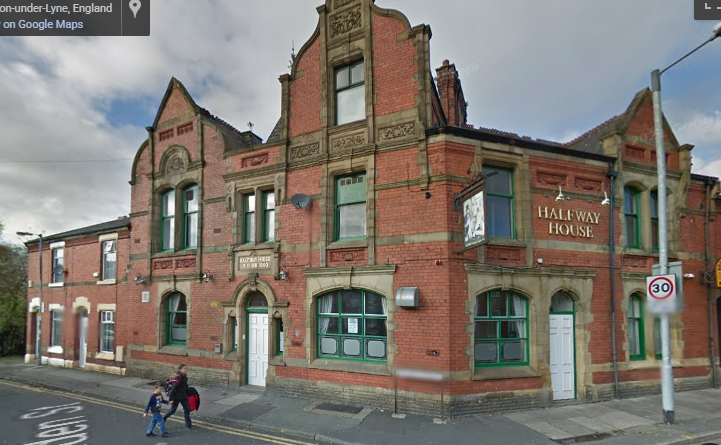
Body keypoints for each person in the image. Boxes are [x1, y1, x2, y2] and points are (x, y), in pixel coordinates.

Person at [163, 364, 197, 429]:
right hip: (176, 397)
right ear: (180, 369)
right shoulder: (178, 377)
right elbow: (173, 389)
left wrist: (188, 392)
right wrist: (171, 399)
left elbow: (185, 386)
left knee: (187, 410)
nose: (186, 370)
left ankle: (188, 425)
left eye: (186, 368)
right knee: (172, 411)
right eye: (184, 368)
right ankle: (161, 421)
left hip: (184, 396)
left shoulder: (185, 377)